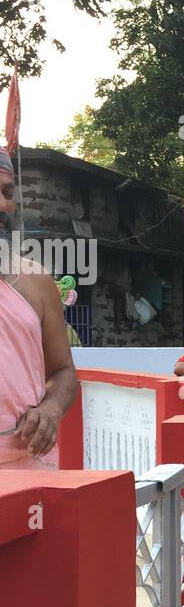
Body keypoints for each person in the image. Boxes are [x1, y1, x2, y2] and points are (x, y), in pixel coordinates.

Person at [0, 147, 78, 469]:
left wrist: (51, 410)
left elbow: (63, 372)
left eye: (7, 192)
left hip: (31, 473)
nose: (3, 205)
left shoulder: (36, 280)